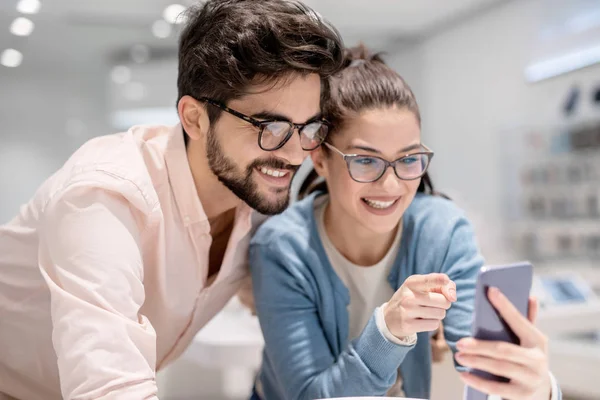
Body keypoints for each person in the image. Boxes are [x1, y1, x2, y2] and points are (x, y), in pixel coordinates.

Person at [0, 1, 343, 399]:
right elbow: (111, 389)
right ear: (194, 118)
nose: (296, 154)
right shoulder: (104, 199)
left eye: (309, 127)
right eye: (270, 126)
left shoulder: (257, 201)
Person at [249, 45, 561, 400]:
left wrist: (537, 388)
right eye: (366, 161)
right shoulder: (281, 248)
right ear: (320, 158)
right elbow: (310, 395)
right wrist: (387, 331)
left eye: (409, 159)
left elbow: (481, 365)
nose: (392, 185)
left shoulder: (442, 230)